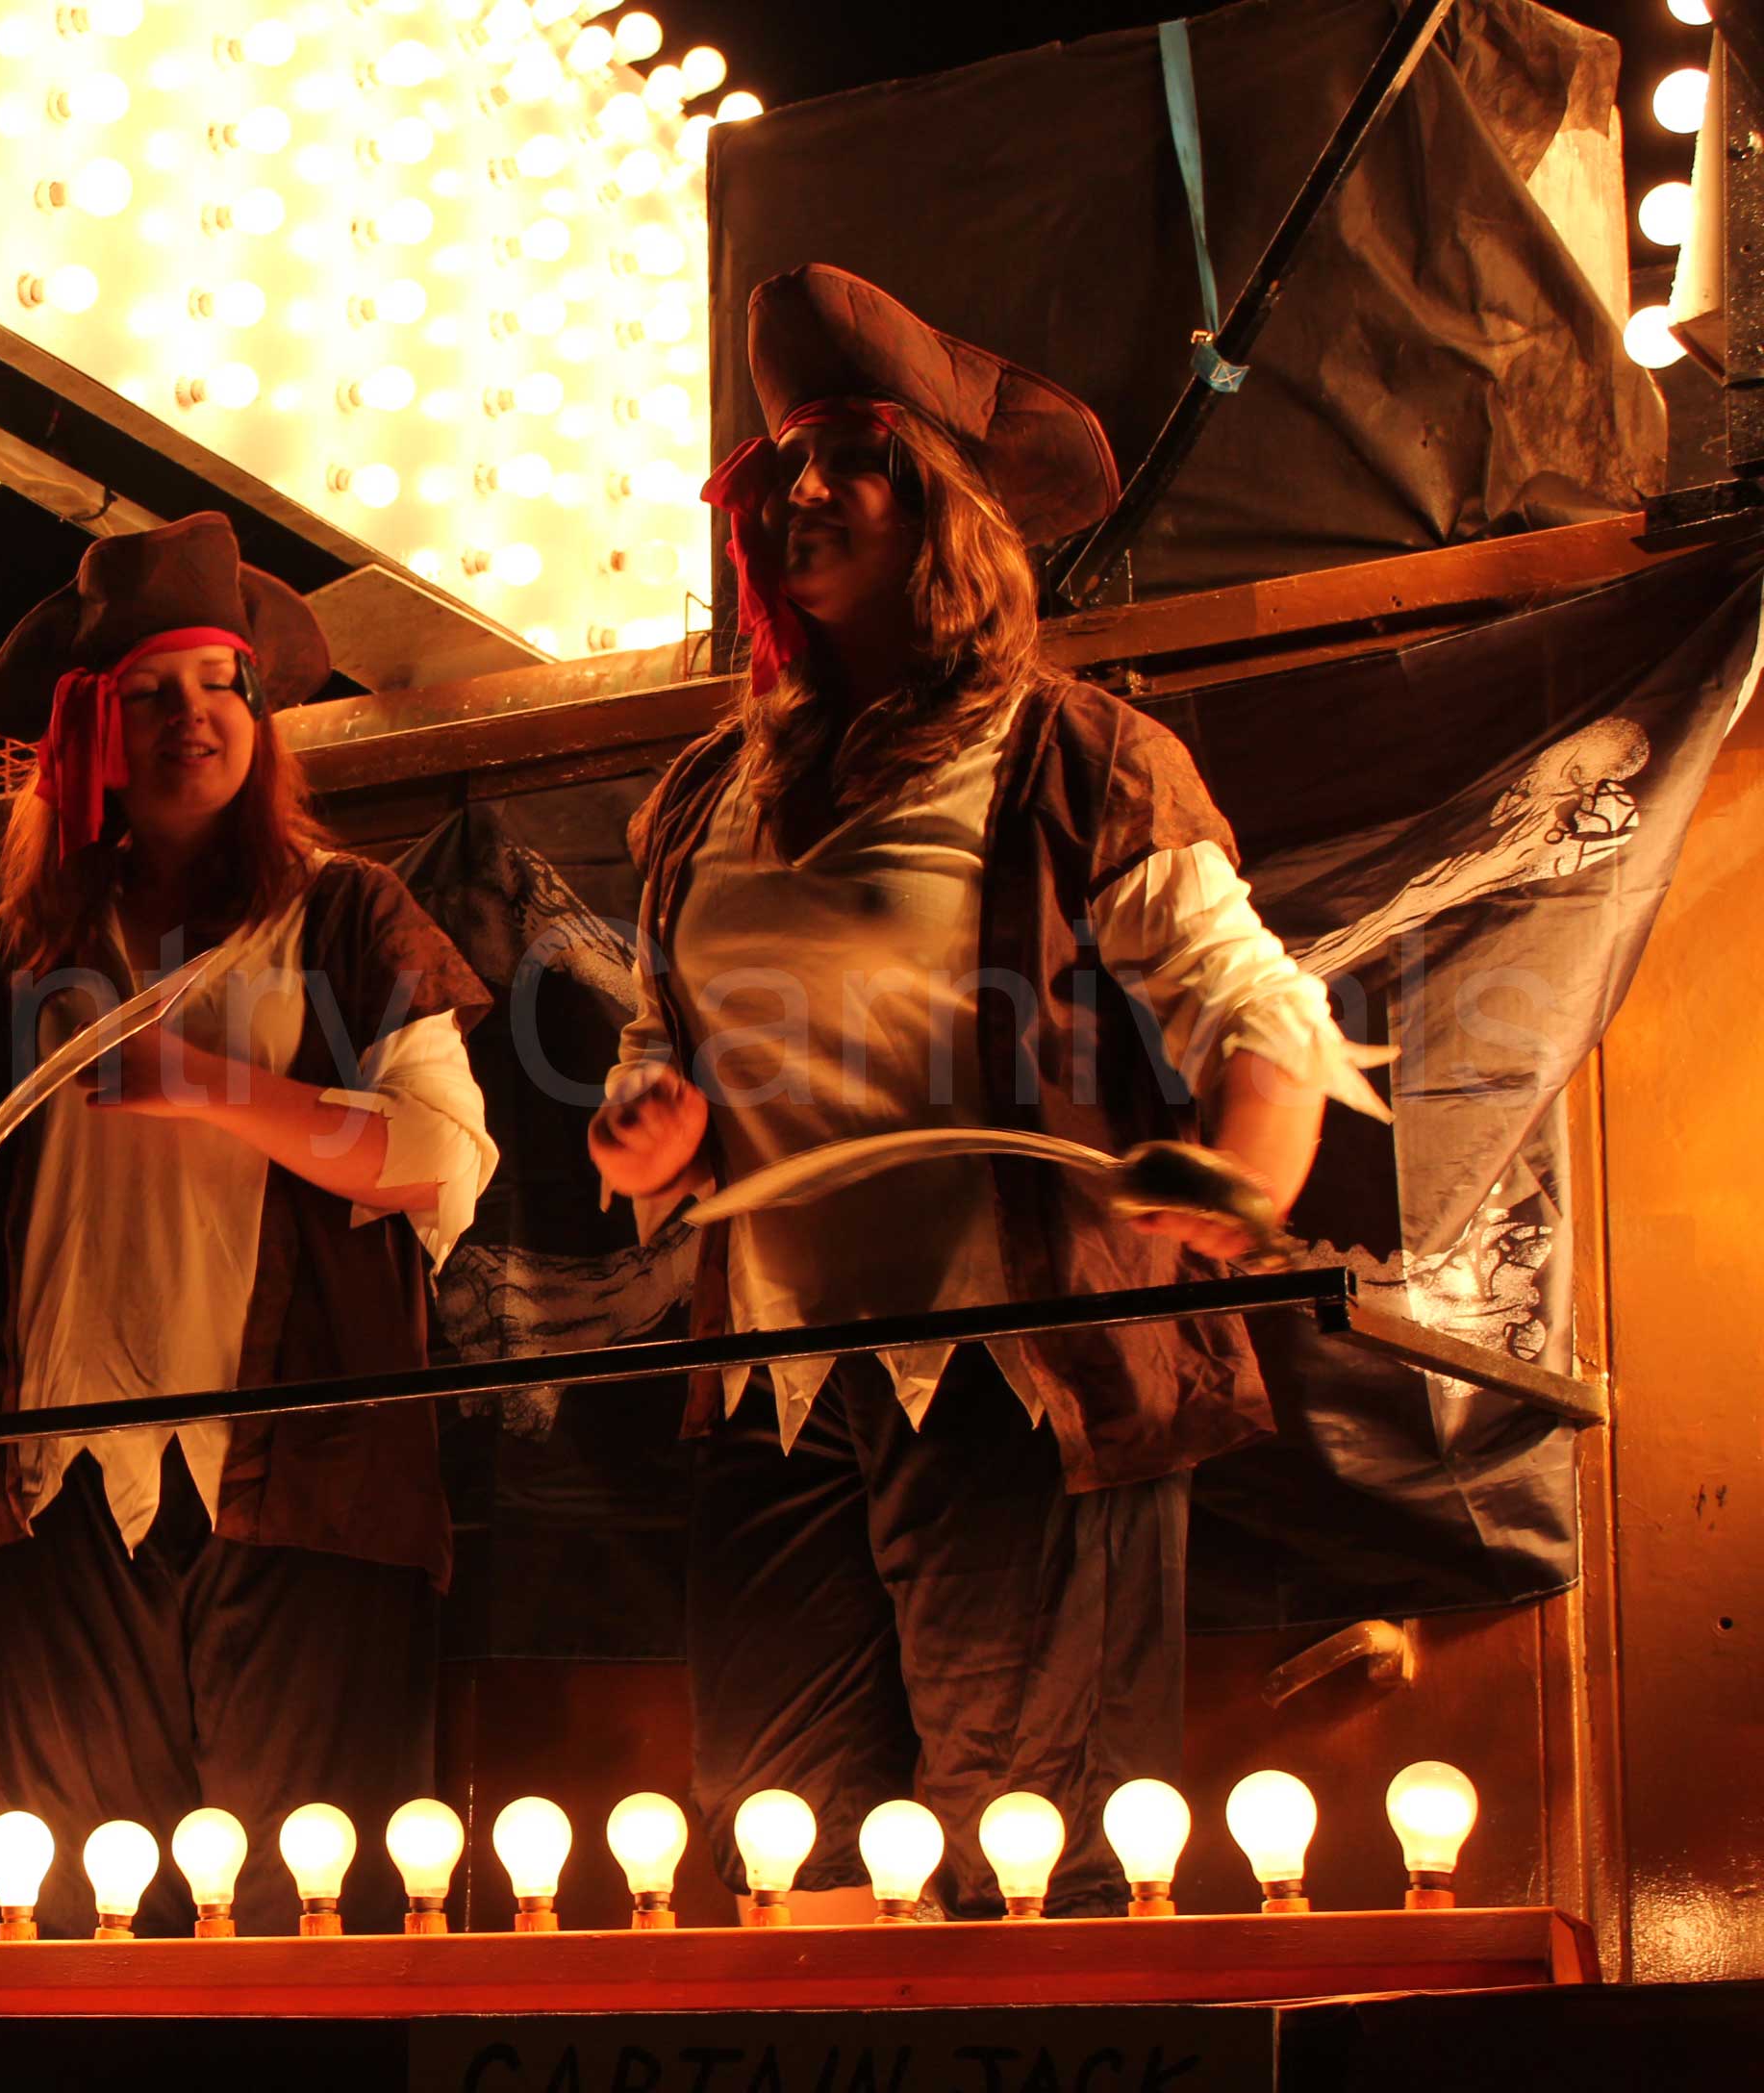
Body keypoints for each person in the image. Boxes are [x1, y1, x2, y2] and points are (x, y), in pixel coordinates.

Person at [588, 267, 1391, 1920]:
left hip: (1020, 1378)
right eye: (780, 464)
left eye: (853, 455)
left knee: (1030, 1856)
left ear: (945, 503)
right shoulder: (704, 790)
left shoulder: (1072, 750)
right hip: (777, 1387)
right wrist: (651, 1129)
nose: (803, 490)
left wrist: (1241, 1176)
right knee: (786, 1859)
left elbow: (1257, 1007)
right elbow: (659, 1046)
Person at [0, 515, 498, 1937]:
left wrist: (205, 1084)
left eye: (221, 683)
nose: (194, 717)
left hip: (300, 1492)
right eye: (151, 693)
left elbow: (440, 1162)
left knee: (306, 1920)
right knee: (82, 1934)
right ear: (90, 731)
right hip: (55, 1500)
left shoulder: (346, 915)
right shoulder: (20, 955)